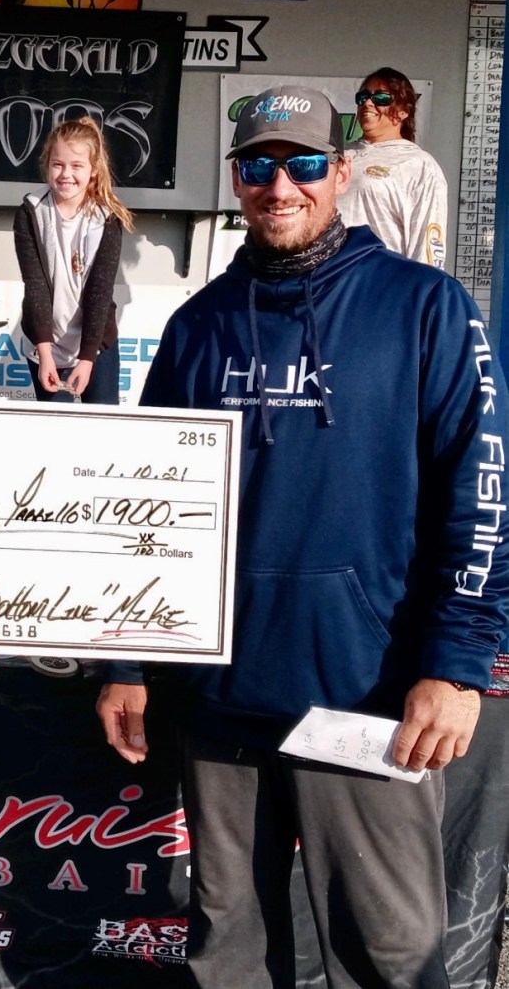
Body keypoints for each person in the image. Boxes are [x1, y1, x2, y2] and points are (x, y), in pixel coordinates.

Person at [97, 86, 509, 989]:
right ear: (236, 180)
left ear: (343, 173)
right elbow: (141, 506)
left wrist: (458, 664)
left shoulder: (425, 307)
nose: (280, 186)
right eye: (259, 166)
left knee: (389, 955)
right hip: (220, 701)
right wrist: (126, 658)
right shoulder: (199, 325)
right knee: (228, 953)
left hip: (365, 696)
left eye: (305, 164)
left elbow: (482, 496)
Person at [14, 116, 133, 404]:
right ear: (47, 164)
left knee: (102, 424)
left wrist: (87, 359)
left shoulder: (106, 218)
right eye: (58, 164)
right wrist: (45, 354)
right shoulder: (30, 211)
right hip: (46, 345)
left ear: (94, 170)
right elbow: (35, 286)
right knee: (55, 425)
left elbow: (100, 292)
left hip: (96, 346)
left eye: (77, 166)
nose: (66, 174)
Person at [337, 67, 448, 268]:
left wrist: (420, 285)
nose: (368, 103)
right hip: (322, 279)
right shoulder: (336, 155)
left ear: (404, 111)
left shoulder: (419, 164)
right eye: (363, 97)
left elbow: (428, 245)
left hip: (377, 279)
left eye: (381, 98)